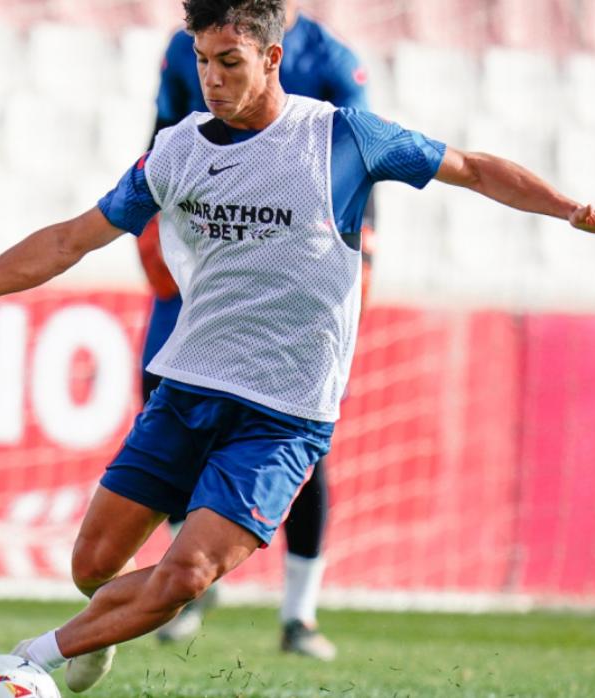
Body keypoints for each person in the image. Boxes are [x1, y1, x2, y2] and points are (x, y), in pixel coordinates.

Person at [0, 0, 595, 692]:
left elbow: (471, 169)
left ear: (273, 57)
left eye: (230, 63)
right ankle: (97, 631)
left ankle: (28, 664)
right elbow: (69, 239)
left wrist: (569, 209)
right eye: (201, 61)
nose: (211, 81)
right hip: (188, 391)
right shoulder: (175, 151)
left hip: (283, 415)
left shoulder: (343, 137)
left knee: (185, 576)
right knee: (93, 568)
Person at [137, 0, 371, 660]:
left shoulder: (330, 62)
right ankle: (188, 585)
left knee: (298, 436)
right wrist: (155, 245)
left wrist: (363, 258)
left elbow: (362, 172)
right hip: (205, 261)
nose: (215, 74)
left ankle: (299, 613)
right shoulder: (200, 47)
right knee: (165, 404)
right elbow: (157, 142)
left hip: (293, 279)